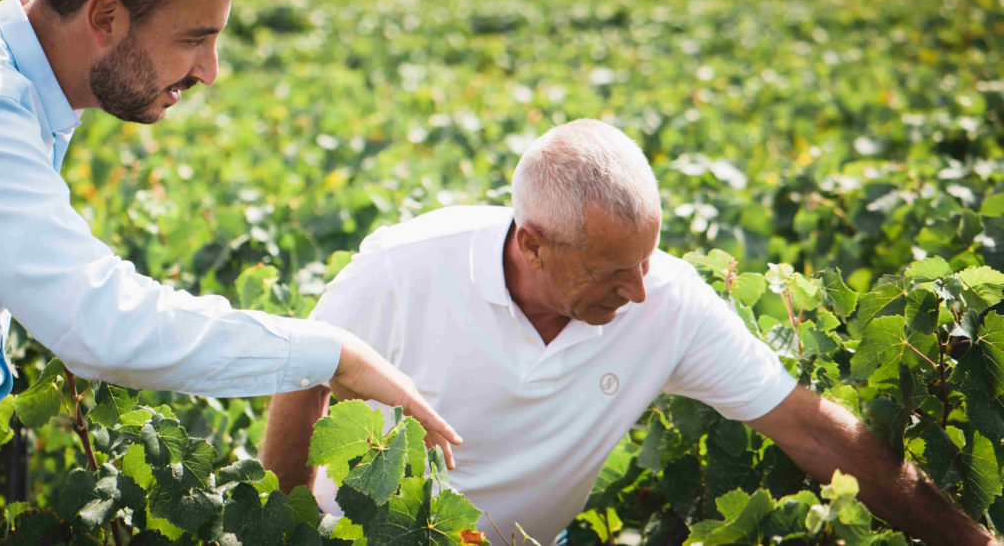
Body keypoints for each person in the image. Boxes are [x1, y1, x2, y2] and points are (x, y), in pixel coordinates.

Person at [262, 119, 1000, 546]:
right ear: (532, 243)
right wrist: (292, 523)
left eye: (646, 259)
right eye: (613, 270)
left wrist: (973, 543)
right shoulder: (406, 265)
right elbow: (302, 377)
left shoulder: (665, 299)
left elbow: (812, 432)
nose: (639, 289)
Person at [0, 0, 460, 463]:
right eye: (195, 38)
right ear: (105, 16)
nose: (209, 71)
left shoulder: (16, 78)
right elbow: (99, 323)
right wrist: (333, 353)